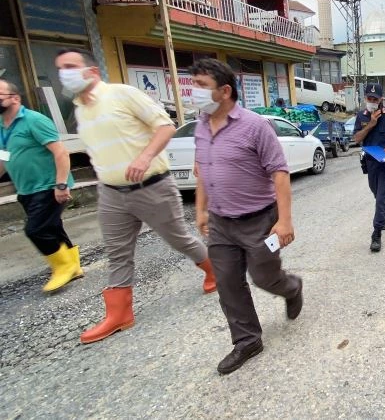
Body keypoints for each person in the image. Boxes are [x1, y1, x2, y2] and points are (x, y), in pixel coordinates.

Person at [55, 48, 216, 344]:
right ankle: (119, 315)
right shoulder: (80, 109)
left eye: (70, 66)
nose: (63, 73)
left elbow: (165, 127)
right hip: (111, 193)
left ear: (92, 71)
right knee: (117, 252)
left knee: (179, 239)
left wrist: (144, 157)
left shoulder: (122, 94)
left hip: (152, 187)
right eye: (60, 68)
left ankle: (214, 271)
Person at [189, 58, 303, 375]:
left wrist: (284, 220)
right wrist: (201, 210)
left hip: (260, 221)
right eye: (193, 84)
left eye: (201, 85)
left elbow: (280, 173)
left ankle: (291, 288)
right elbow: (203, 172)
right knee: (227, 282)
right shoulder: (201, 126)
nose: (194, 91)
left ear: (225, 91)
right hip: (221, 223)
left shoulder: (255, 126)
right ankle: (247, 340)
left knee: (265, 276)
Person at [0, 79, 82, 292]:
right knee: (52, 227)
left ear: (15, 98)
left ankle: (63, 267)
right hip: (26, 189)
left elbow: (60, 152)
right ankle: (74, 266)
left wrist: (61, 185)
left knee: (35, 230)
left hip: (48, 185)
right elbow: (4, 158)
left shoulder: (34, 120)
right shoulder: (1, 127)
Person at [353, 83, 385, 252]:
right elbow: (357, 139)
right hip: (371, 163)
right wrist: (371, 124)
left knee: (382, 197)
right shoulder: (361, 116)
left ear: (381, 99)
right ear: (365, 98)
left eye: (375, 99)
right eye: (370, 98)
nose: (372, 102)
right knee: (376, 193)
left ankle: (376, 234)